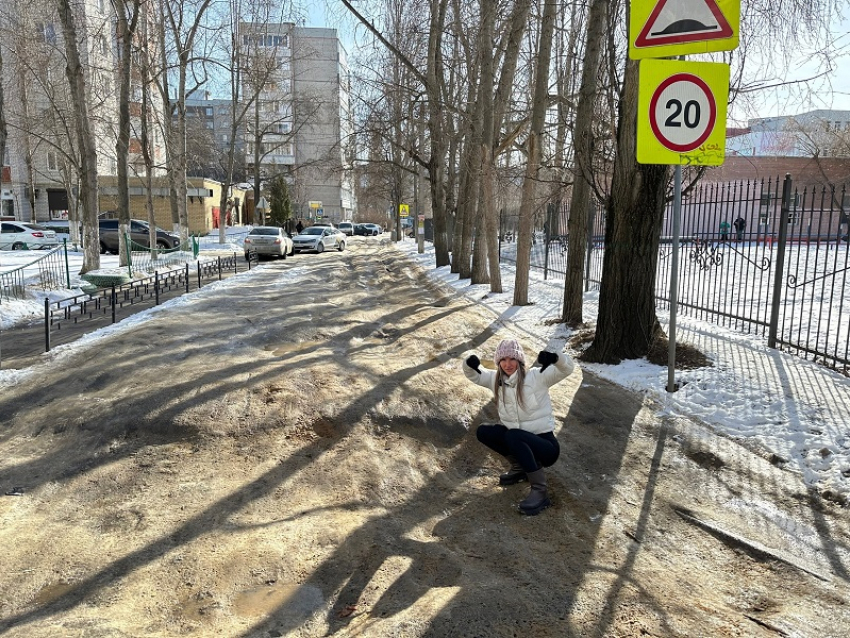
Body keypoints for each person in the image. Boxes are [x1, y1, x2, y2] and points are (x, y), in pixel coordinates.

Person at [462, 339, 576, 515]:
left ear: (520, 360)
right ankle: (520, 468)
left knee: (513, 435)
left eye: (512, 359)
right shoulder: (496, 380)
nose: (508, 364)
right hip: (518, 440)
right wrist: (469, 363)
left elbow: (567, 368)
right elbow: (476, 374)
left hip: (545, 447)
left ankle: (540, 490)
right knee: (484, 432)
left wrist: (555, 358)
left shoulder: (537, 376)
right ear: (498, 362)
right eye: (503, 360)